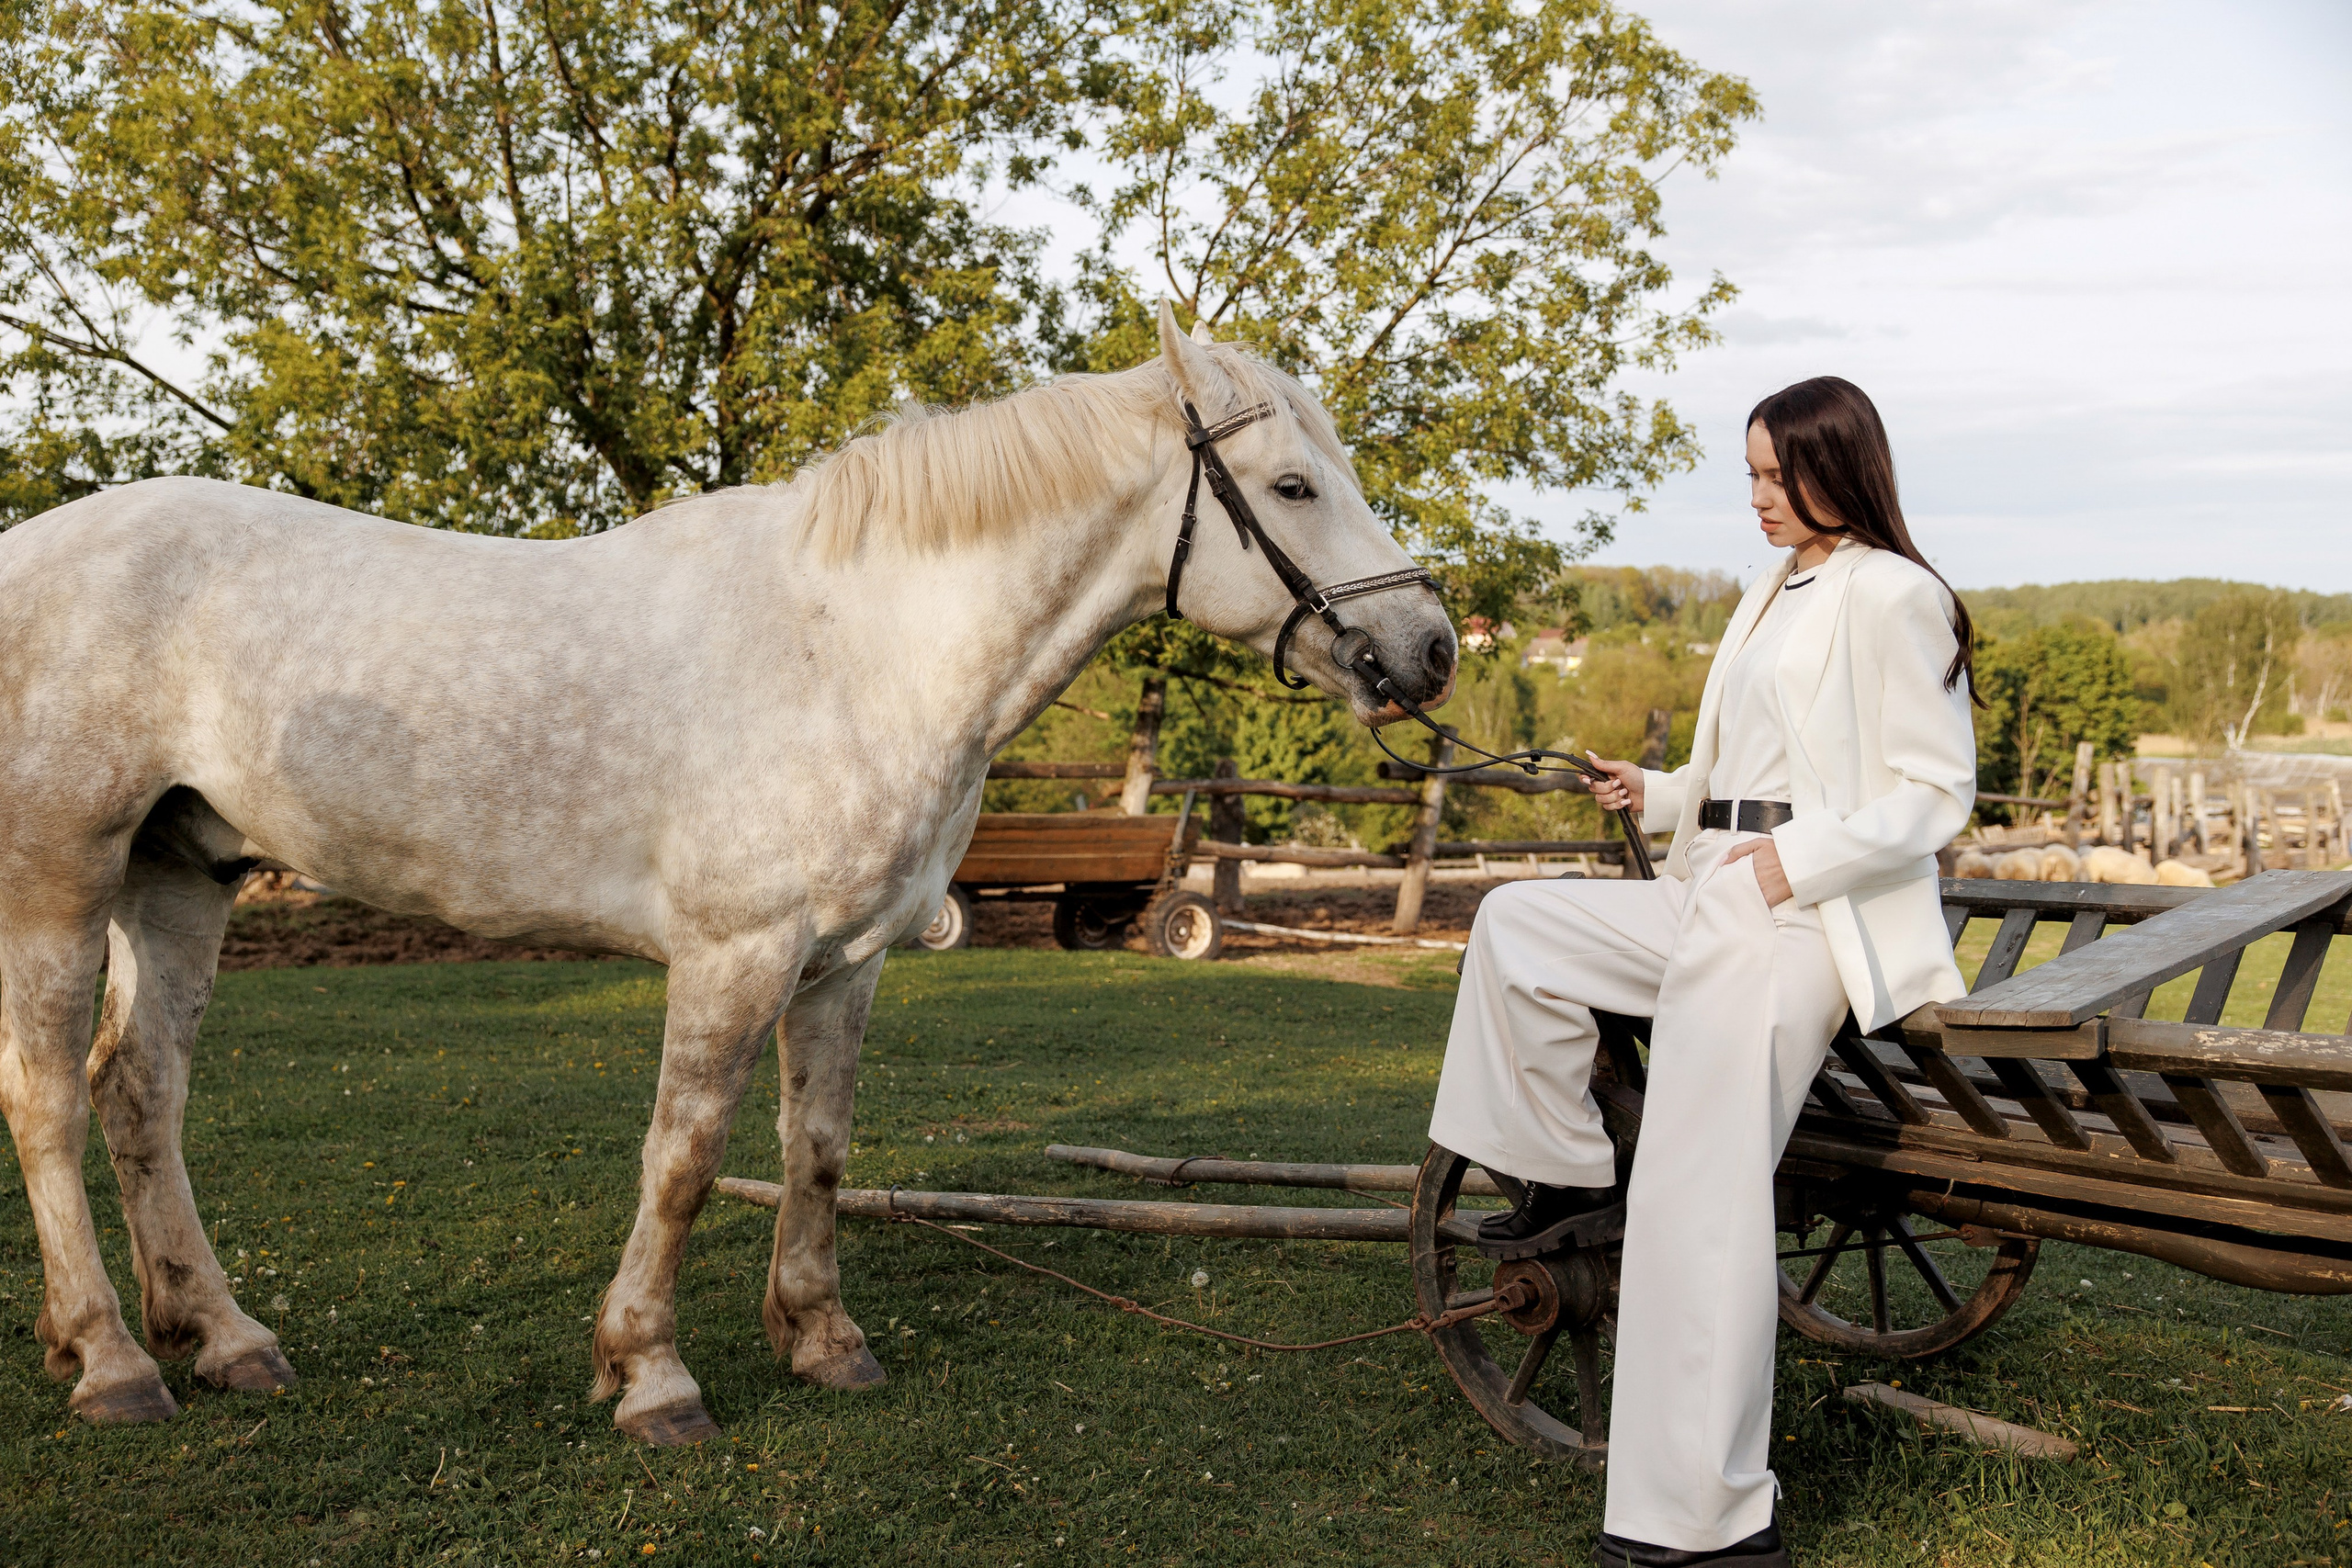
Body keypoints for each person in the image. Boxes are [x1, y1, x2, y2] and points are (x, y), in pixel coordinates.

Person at [1427, 377, 1981, 1568]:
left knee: (1698, 1193)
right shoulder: (1767, 591)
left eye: (1780, 477)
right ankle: (1564, 1175)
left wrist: (1795, 863)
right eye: (1750, 477)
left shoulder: (1897, 593)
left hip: (1796, 910)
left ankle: (1711, 1524)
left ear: (1844, 465)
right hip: (1708, 882)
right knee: (1518, 923)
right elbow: (1741, 766)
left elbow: (1935, 794)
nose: (1760, 500)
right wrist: (1660, 793)